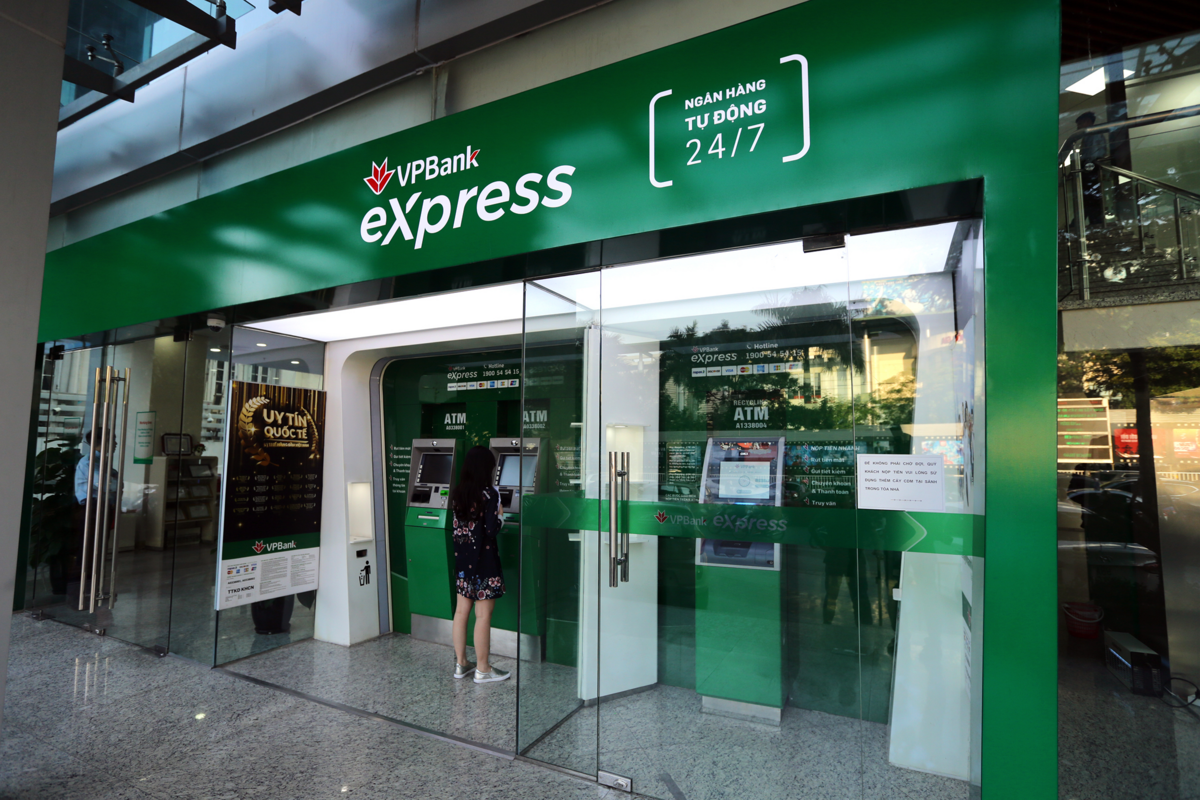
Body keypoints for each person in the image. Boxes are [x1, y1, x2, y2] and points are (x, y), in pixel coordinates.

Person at [449, 445, 510, 684]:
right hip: (484, 563)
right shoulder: (489, 495)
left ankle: (461, 663)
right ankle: (483, 669)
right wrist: (501, 516)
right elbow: (491, 530)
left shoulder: (458, 493)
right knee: (483, 615)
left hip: (463, 562)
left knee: (461, 611)